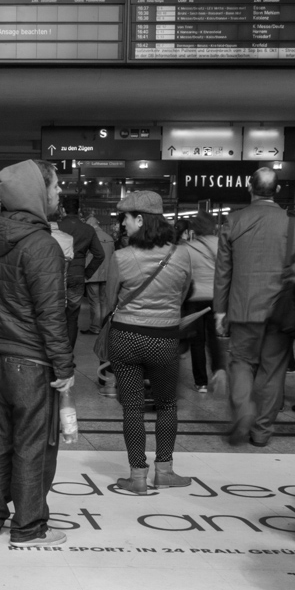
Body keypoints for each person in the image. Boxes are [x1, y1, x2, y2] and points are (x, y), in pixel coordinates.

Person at [0, 159, 74, 546]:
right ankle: (29, 527)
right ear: (36, 191)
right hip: (31, 361)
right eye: (54, 185)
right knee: (34, 446)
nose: (59, 191)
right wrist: (64, 366)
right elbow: (51, 315)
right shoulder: (42, 245)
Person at [102, 191, 193, 494]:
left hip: (125, 337)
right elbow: (182, 295)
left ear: (140, 219)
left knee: (132, 408)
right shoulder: (181, 254)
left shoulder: (121, 257)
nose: (122, 225)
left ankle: (137, 476)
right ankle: (164, 471)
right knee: (166, 404)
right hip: (164, 339)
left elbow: (109, 302)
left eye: (125, 218)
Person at [214, 167, 295, 446]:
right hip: (282, 311)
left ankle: (244, 410)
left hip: (243, 308)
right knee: (273, 370)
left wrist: (220, 311)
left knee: (241, 363)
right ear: (277, 190)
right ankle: (261, 431)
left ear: (249, 187)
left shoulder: (233, 220)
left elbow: (223, 271)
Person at [177, 214, 225, 393]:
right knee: (214, 338)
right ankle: (219, 370)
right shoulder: (221, 245)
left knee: (197, 341)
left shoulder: (188, 248)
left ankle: (201, 382)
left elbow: (183, 274)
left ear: (195, 229)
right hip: (216, 297)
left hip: (194, 299)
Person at [56, 197, 106, 348]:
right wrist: (87, 273)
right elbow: (100, 255)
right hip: (77, 275)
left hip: (57, 275)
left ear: (62, 210)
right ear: (78, 210)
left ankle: (57, 351)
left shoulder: (57, 228)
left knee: (56, 315)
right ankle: (69, 352)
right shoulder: (88, 229)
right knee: (72, 317)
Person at [83, 214, 115, 334]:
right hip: (107, 274)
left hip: (92, 274)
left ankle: (95, 327)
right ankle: (104, 327)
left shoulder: (89, 237)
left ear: (91, 225)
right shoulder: (109, 237)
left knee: (94, 302)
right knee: (104, 301)